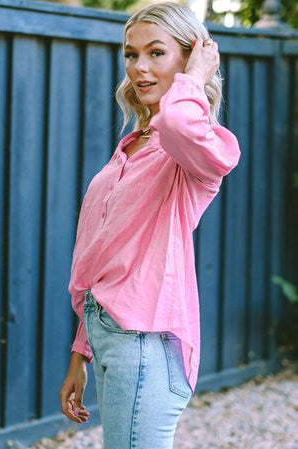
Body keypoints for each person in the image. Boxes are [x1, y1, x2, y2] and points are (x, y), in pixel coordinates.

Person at [59, 2, 241, 448]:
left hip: (145, 345)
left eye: (156, 53)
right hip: (109, 340)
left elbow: (181, 120)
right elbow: (101, 258)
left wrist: (194, 79)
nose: (139, 67)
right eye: (131, 54)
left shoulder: (198, 151)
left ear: (191, 56)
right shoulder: (132, 146)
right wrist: (80, 354)